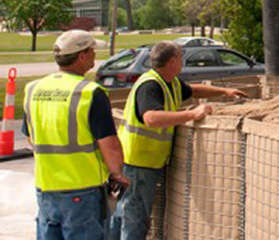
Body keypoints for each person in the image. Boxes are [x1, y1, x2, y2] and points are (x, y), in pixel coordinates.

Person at [110, 41, 247, 240]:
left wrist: (223, 92)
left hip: (143, 161)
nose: (182, 61)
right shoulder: (150, 85)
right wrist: (191, 115)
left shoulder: (170, 82)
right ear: (172, 61)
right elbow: (151, 118)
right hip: (139, 162)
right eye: (181, 56)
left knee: (124, 213)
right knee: (135, 217)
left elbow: (193, 90)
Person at [23, 29, 130, 240]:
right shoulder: (90, 92)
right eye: (92, 51)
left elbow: (30, 138)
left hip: (46, 188)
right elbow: (109, 144)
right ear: (81, 56)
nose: (94, 55)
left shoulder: (33, 88)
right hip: (83, 190)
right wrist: (118, 173)